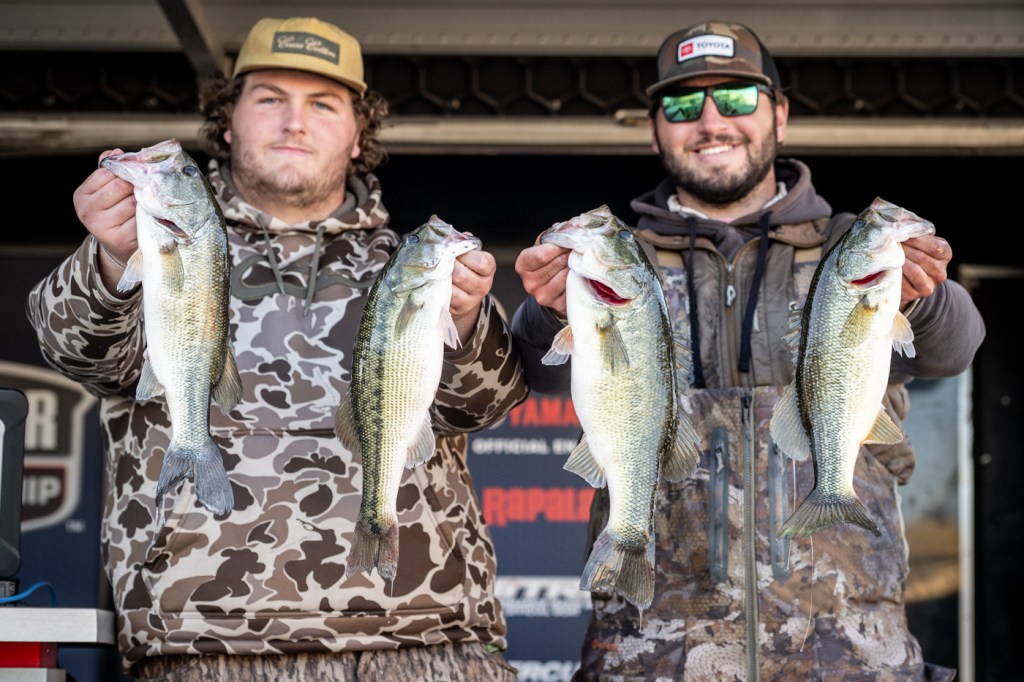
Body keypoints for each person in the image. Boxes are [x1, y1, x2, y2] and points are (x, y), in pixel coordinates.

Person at [26, 16, 527, 682]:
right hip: (204, 645)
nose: (295, 122)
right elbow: (78, 353)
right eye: (270, 98)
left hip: (423, 639)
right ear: (227, 122)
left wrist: (464, 317)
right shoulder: (155, 240)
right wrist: (112, 261)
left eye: (323, 104)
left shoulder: (415, 265)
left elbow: (482, 405)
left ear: (358, 136)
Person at [512, 20, 985, 682]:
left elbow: (954, 349)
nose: (711, 121)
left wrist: (922, 297)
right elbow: (534, 372)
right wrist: (548, 312)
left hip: (848, 652)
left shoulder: (851, 249)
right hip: (653, 655)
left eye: (735, 98)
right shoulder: (616, 261)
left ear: (779, 115)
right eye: (683, 105)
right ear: (655, 129)